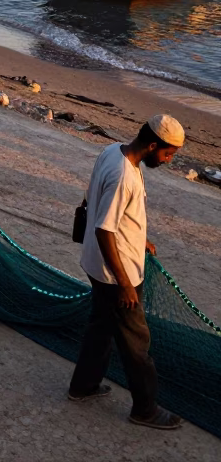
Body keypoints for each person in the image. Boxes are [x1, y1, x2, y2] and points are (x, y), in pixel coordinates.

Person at [68, 115, 185, 430]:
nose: (169, 160)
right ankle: (145, 409)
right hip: (115, 275)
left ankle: (83, 386)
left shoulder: (113, 151)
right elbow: (105, 229)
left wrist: (139, 236)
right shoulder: (125, 176)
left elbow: (103, 205)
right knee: (137, 344)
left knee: (100, 328)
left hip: (96, 265)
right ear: (151, 145)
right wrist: (124, 284)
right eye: (167, 154)